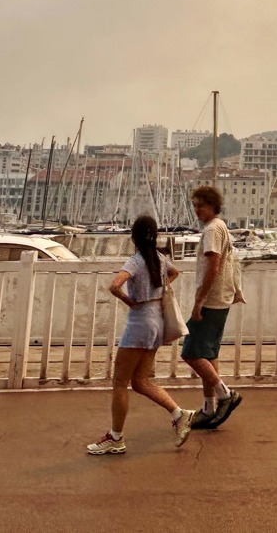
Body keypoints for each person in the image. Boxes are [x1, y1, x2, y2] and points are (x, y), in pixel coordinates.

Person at [87, 215, 195, 455]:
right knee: (140, 381)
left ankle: (115, 437)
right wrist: (165, 286)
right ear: (154, 235)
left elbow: (114, 285)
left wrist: (130, 301)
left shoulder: (136, 261)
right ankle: (179, 414)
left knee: (119, 382)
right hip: (157, 321)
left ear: (134, 237)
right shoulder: (160, 258)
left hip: (140, 323)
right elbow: (175, 272)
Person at [183, 184, 243, 429]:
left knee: (190, 352)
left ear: (213, 206)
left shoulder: (211, 230)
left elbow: (213, 267)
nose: (197, 209)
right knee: (208, 355)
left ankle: (225, 395)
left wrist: (199, 301)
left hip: (212, 300)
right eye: (195, 205)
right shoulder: (220, 227)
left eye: (201, 205)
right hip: (221, 298)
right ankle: (208, 408)